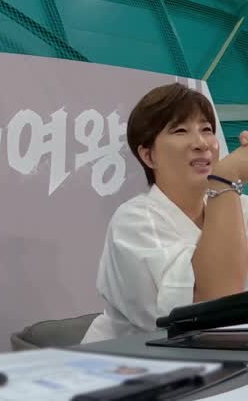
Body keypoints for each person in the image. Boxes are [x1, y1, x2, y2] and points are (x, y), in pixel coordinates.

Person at [82, 82, 248, 343]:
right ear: (149, 156)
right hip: (135, 363)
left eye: (206, 129)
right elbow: (211, 312)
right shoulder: (133, 222)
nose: (201, 143)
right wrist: (226, 178)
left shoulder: (239, 206)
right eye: (180, 130)